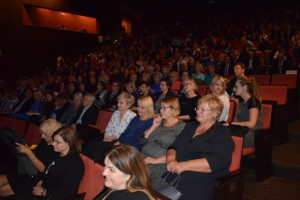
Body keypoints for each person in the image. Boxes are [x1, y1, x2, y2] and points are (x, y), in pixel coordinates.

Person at [166, 94, 234, 200]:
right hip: (177, 172)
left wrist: (185, 165)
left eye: (203, 109)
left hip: (202, 178)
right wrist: (170, 160)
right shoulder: (190, 126)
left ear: (215, 114)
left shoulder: (221, 132)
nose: (198, 111)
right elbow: (173, 147)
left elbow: (218, 160)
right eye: (198, 108)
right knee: (154, 192)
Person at [4, 126, 84, 200]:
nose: (53, 144)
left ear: (69, 144)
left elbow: (66, 193)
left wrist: (44, 192)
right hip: (41, 186)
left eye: (57, 142)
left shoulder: (75, 163)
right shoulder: (59, 154)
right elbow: (46, 173)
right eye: (54, 140)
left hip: (50, 196)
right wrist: (40, 183)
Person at [0, 119, 61, 197]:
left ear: (53, 134)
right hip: (27, 171)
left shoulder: (55, 149)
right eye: (41, 133)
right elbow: (36, 153)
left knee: (2, 191)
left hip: (34, 178)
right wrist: (28, 150)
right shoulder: (44, 141)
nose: (42, 136)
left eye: (45, 134)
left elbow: (43, 169)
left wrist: (29, 152)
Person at [141, 97, 185, 177]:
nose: (161, 110)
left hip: (158, 165)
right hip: (143, 157)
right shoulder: (160, 123)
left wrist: (155, 160)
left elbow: (180, 153)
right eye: (160, 107)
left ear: (173, 109)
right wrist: (154, 126)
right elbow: (143, 141)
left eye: (164, 108)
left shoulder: (181, 127)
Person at [227, 76, 262, 147]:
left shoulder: (253, 101)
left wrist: (232, 124)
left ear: (245, 87)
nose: (234, 89)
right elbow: (238, 121)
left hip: (250, 133)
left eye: (236, 87)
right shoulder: (242, 102)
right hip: (241, 130)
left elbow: (252, 124)